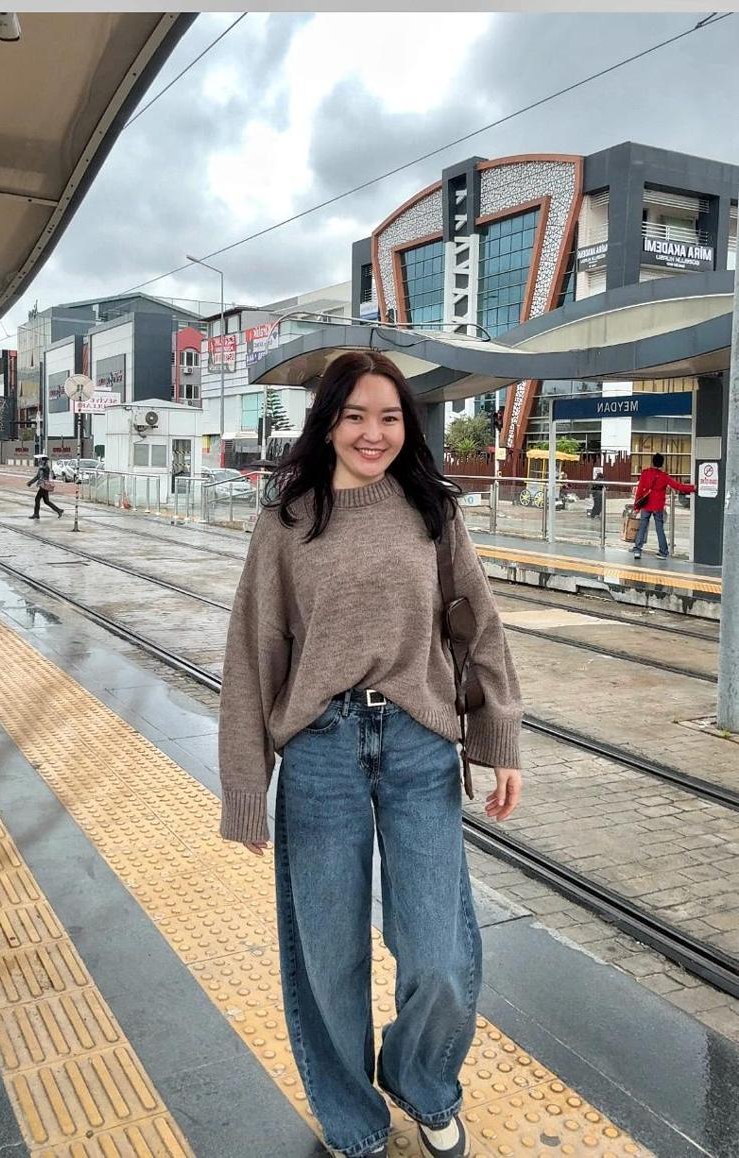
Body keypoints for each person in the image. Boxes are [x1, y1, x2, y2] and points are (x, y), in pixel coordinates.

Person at [218, 351, 523, 1158]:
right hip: (321, 753)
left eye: (389, 417)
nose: (372, 433)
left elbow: (478, 626)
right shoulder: (287, 522)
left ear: (407, 427)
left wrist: (498, 739)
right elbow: (253, 656)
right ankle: (353, 1118)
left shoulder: (433, 512)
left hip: (420, 745)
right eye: (355, 416)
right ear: (328, 424)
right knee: (329, 955)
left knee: (440, 953)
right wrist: (246, 789)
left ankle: (421, 1079)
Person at [631, 453, 694, 560]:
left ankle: (637, 550)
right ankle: (663, 552)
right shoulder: (664, 476)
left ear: (652, 462)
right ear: (662, 464)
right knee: (659, 529)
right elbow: (678, 486)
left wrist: (636, 507)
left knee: (642, 527)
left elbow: (640, 491)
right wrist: (693, 488)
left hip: (646, 505)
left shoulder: (645, 473)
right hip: (658, 506)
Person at [26, 455, 63, 519]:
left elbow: (42, 469)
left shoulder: (46, 467)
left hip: (44, 485)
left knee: (37, 499)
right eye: (41, 460)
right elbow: (37, 477)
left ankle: (36, 514)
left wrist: (40, 464)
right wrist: (30, 482)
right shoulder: (41, 467)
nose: (40, 461)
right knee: (46, 501)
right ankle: (58, 510)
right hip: (42, 485)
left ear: (45, 461)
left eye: (42, 460)